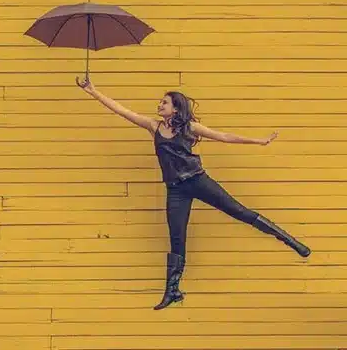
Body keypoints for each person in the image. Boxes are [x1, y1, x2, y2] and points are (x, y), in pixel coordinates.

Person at [75, 76, 311, 310]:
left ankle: (290, 240)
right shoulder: (153, 126)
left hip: (198, 181)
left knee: (239, 211)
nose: (159, 105)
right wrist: (92, 91)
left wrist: (258, 141)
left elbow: (224, 136)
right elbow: (122, 111)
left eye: (164, 102)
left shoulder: (190, 128)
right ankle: (172, 290)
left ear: (176, 108)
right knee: (176, 238)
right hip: (176, 190)